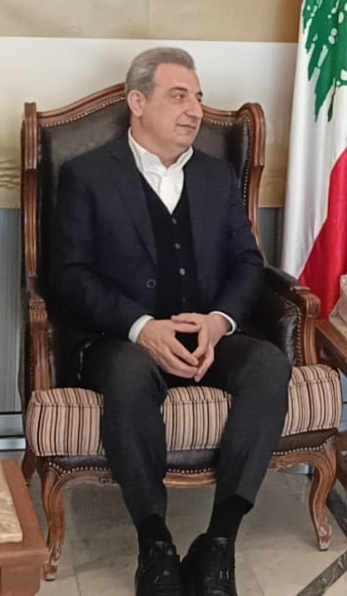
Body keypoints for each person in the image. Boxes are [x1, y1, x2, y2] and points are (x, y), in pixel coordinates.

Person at [51, 47, 290, 596]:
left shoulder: (216, 175)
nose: (195, 110)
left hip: (205, 333)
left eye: (198, 98)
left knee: (268, 366)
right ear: (137, 102)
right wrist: (141, 327)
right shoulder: (87, 175)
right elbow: (68, 276)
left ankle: (219, 541)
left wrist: (218, 323)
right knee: (130, 374)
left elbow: (247, 263)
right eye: (178, 96)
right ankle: (154, 544)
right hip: (121, 338)